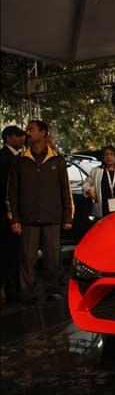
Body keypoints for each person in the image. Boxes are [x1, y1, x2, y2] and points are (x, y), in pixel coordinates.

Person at [6, 120, 74, 303]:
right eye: (27, 130)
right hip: (27, 220)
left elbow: (65, 190)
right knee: (27, 260)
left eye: (31, 129)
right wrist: (14, 219)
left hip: (52, 218)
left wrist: (68, 216)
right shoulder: (20, 161)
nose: (28, 133)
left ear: (43, 133)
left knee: (53, 258)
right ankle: (27, 293)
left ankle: (53, 290)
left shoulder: (57, 160)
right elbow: (12, 192)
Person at [0, 126, 26, 304]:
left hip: (18, 213)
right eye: (18, 135)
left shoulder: (20, 157)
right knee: (8, 253)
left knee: (17, 253)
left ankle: (14, 289)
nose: (22, 138)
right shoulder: (4, 158)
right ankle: (10, 290)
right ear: (8, 138)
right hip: (6, 215)